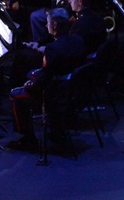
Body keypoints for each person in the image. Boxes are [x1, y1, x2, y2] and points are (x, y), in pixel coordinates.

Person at [7, 8, 88, 150]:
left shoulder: (53, 49)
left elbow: (42, 82)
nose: (45, 26)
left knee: (15, 94)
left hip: (57, 94)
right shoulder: (78, 40)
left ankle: (28, 139)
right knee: (32, 73)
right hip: (76, 89)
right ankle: (57, 132)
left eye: (48, 23)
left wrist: (29, 85)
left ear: (55, 25)